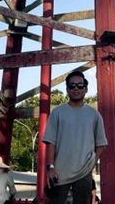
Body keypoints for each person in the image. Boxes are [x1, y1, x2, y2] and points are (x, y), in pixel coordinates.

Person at [43, 71, 108, 204]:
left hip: (84, 173)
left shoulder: (94, 115)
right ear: (67, 90)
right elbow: (50, 142)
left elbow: (101, 144)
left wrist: (92, 162)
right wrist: (50, 168)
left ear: (86, 89)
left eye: (80, 85)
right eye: (72, 86)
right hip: (59, 173)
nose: (76, 89)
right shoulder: (57, 113)